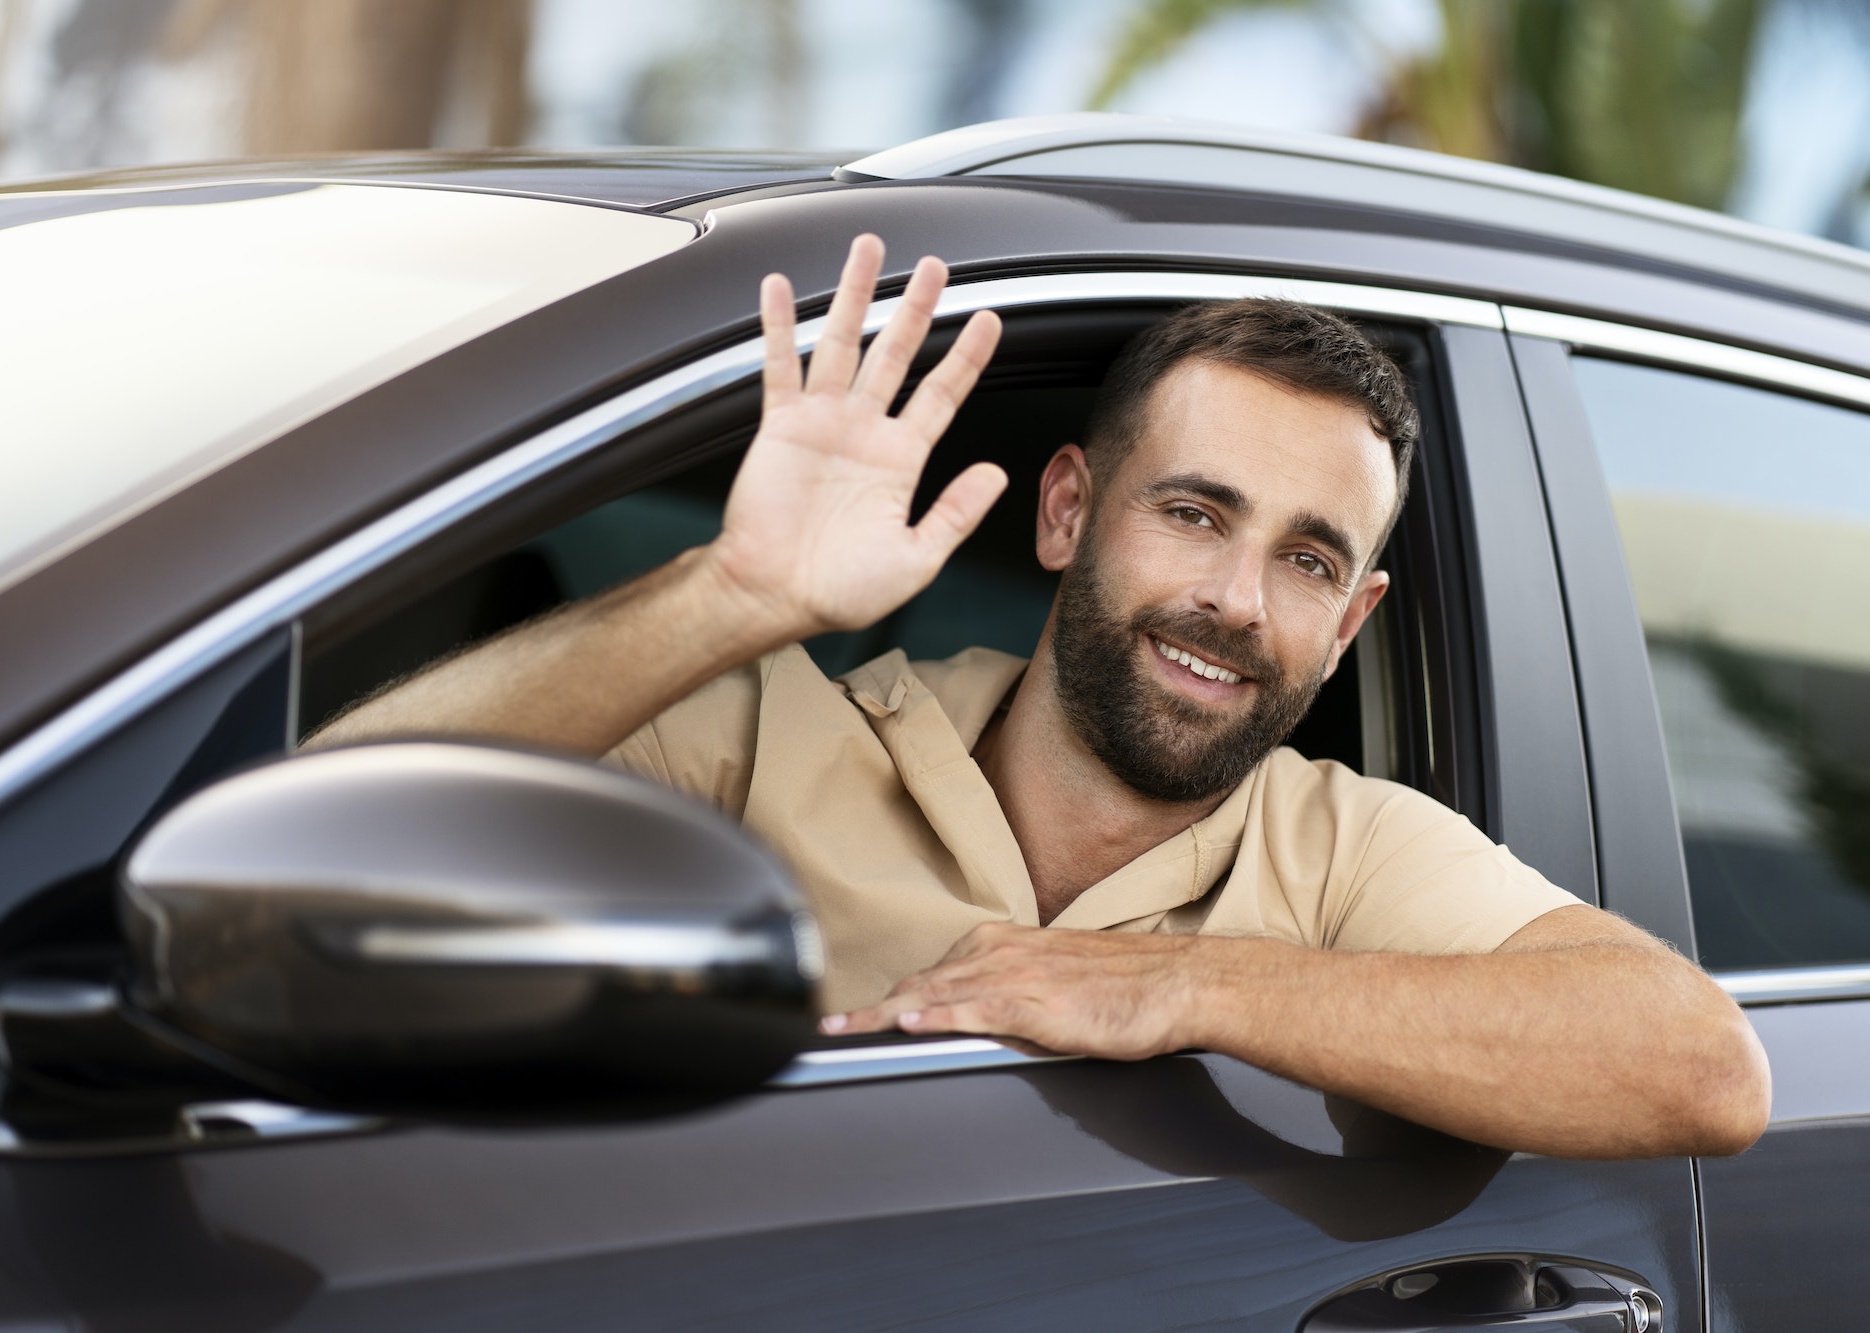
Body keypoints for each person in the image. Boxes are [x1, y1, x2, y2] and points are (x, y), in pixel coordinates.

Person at [314, 235, 1770, 1160]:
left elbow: (1700, 1068)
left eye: (1310, 560)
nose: (1239, 604)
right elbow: (327, 836)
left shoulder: (1349, 850)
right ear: (1069, 509)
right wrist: (732, 596)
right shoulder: (764, 734)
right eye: (1195, 514)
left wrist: (1183, 983)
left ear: (1352, 626)